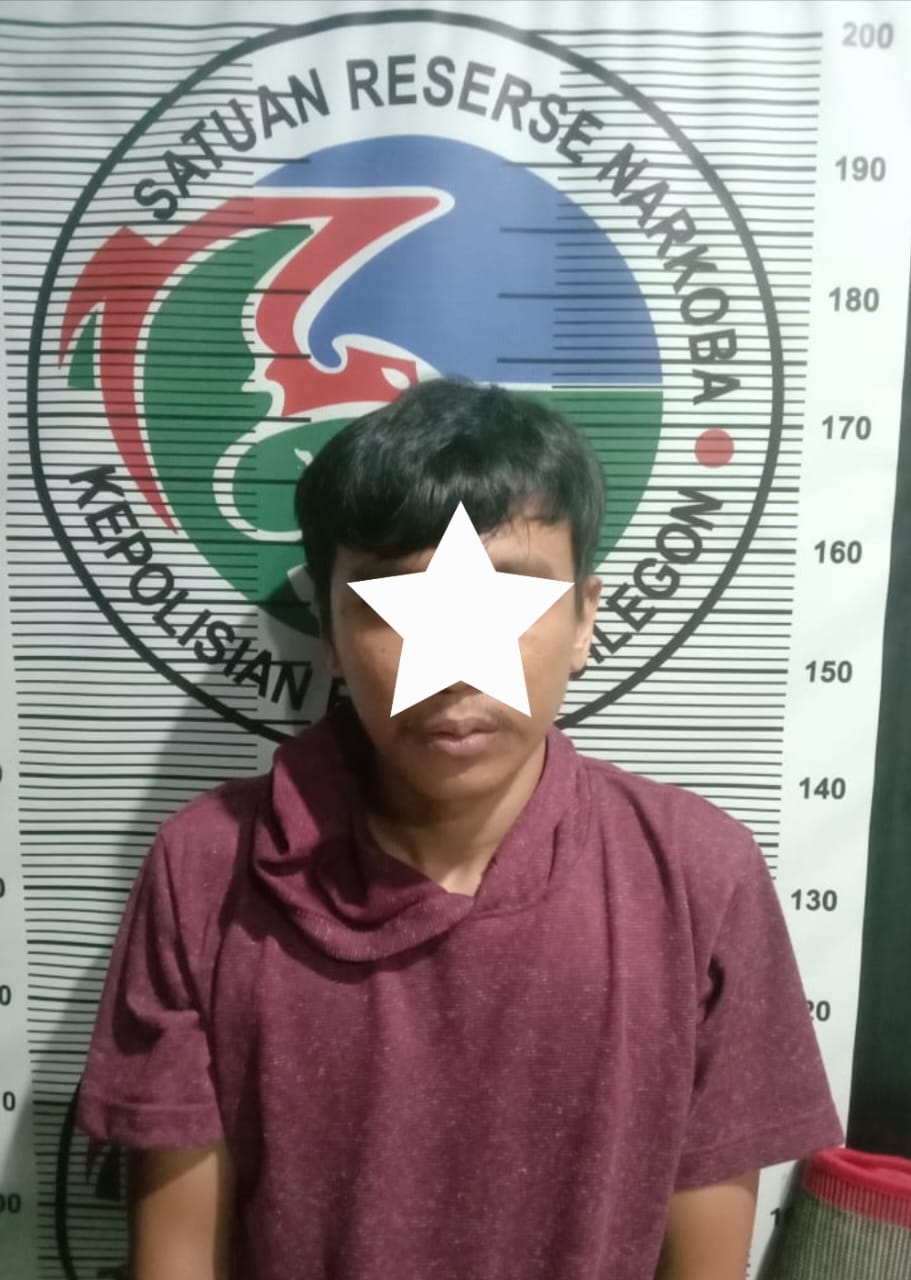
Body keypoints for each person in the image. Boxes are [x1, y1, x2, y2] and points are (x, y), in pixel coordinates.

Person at [75, 378, 844, 1280]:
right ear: (327, 630)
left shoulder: (699, 875)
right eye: (394, 604)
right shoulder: (205, 870)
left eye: (508, 597)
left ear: (584, 618)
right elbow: (175, 1259)